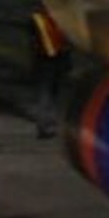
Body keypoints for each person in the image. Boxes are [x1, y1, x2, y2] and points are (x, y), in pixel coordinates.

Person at [28, 7, 74, 138]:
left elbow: (33, 43)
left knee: (48, 95)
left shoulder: (38, 18)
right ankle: (48, 125)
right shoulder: (60, 17)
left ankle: (47, 125)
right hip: (50, 61)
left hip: (49, 61)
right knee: (50, 95)